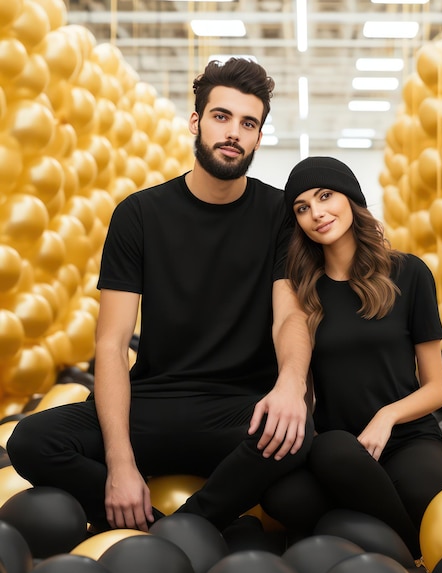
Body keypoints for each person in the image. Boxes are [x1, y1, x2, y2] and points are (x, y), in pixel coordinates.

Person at [7, 57, 313, 533]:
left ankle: (183, 526)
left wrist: (291, 385)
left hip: (238, 409)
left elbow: (288, 317)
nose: (233, 132)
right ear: (196, 121)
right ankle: (155, 517)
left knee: (300, 433)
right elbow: (111, 343)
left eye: (248, 123)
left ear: (258, 136)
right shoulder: (139, 215)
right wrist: (121, 464)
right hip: (153, 403)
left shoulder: (279, 215)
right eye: (221, 116)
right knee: (31, 441)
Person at [262, 156, 442, 559]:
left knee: (426, 491)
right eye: (302, 207)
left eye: (325, 196)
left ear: (350, 198)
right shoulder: (301, 294)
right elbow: (305, 388)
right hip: (339, 449)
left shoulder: (409, 273)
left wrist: (386, 417)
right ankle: (412, 548)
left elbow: (436, 389)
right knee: (284, 497)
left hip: (406, 438)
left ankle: (373, 531)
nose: (317, 213)